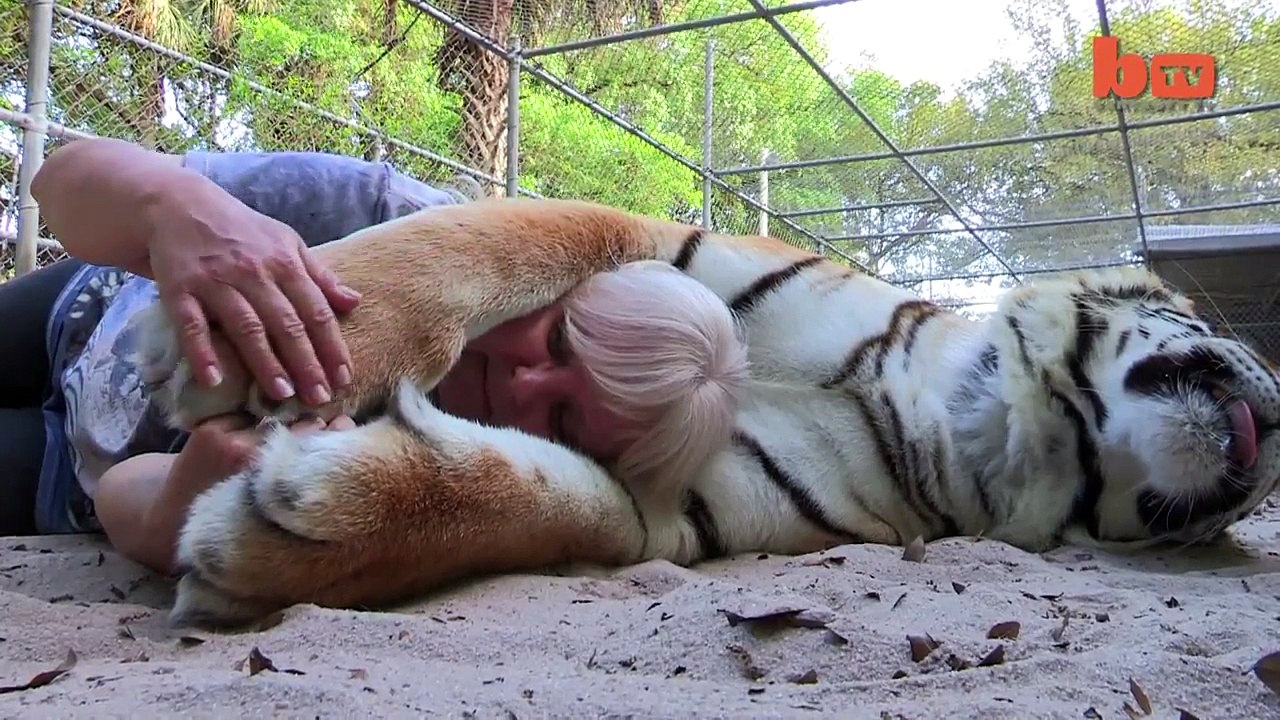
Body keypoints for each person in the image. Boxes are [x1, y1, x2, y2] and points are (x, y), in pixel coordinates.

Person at [1, 138, 748, 576]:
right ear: (559, 287)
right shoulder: (388, 218)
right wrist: (170, 207)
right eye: (560, 342)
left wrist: (187, 501)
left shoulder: (417, 478)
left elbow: (122, 494)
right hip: (82, 308)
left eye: (561, 416)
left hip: (61, 474)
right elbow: (59, 182)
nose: (524, 382)